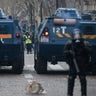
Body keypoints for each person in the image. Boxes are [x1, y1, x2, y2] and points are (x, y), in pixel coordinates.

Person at [64, 28, 91, 96]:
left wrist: (84, 48)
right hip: (73, 65)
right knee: (71, 80)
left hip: (82, 65)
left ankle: (84, 94)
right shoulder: (70, 43)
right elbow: (65, 54)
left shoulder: (85, 43)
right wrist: (70, 54)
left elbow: (90, 52)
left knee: (83, 80)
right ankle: (69, 94)